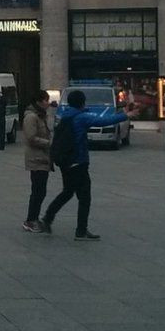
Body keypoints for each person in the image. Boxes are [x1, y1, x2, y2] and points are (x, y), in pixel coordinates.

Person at [41, 90, 139, 240]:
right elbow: (103, 121)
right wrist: (126, 115)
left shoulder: (66, 116)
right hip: (78, 161)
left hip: (66, 161)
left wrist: (123, 111)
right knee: (85, 197)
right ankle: (80, 230)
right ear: (82, 102)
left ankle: (48, 218)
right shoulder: (80, 118)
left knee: (67, 192)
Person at [22, 91, 52, 232]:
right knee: (37, 191)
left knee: (41, 191)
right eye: (46, 100)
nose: (48, 103)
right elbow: (31, 137)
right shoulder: (31, 117)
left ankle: (33, 217)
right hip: (36, 159)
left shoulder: (40, 116)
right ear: (39, 101)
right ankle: (30, 219)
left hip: (42, 158)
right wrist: (49, 143)